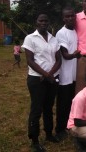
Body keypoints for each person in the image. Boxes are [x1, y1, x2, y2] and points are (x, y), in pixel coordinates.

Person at [22, 12, 61, 151]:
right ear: (36, 22)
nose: (44, 23)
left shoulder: (53, 39)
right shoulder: (30, 38)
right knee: (36, 109)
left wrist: (49, 75)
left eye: (46, 21)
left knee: (49, 108)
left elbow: (59, 60)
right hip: (36, 79)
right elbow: (30, 61)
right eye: (41, 21)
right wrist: (45, 74)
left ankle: (49, 134)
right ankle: (34, 140)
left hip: (51, 79)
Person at [55, 7, 81, 141]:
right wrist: (75, 54)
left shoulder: (75, 31)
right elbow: (65, 55)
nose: (70, 18)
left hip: (74, 75)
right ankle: (59, 129)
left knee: (71, 102)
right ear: (63, 18)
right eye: (67, 16)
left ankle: (67, 125)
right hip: (65, 76)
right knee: (62, 104)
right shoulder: (61, 33)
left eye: (72, 16)